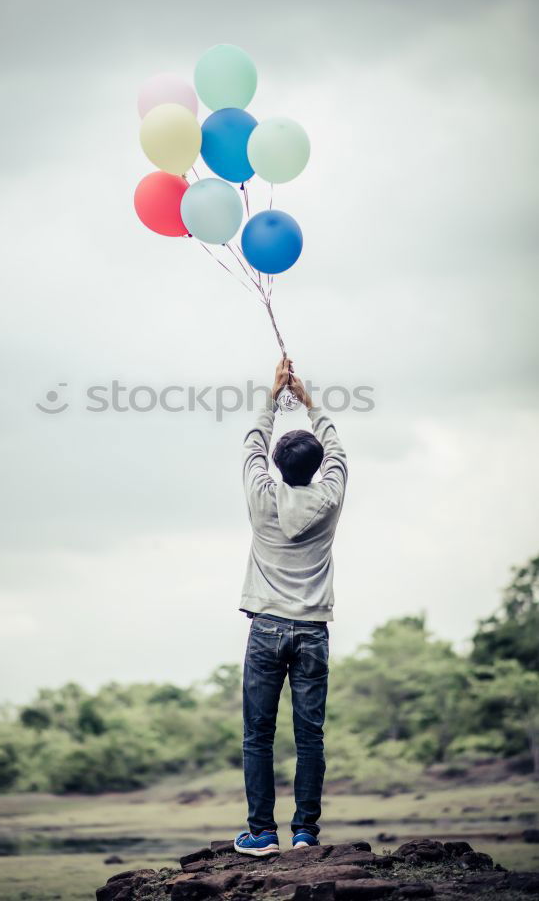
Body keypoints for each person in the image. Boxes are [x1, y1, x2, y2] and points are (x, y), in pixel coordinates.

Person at [234, 357, 348, 856]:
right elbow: (339, 450)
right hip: (313, 633)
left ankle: (262, 834)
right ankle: (305, 833)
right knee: (310, 737)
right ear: (317, 465)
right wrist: (308, 400)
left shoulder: (262, 497)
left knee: (258, 735)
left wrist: (272, 396)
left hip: (266, 629)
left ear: (278, 467)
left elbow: (251, 445)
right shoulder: (330, 497)